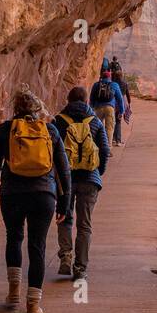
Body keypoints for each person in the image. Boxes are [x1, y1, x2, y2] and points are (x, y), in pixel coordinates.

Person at [0, 86, 71, 313]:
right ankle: (32, 306)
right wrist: (64, 205)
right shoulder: (49, 130)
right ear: (38, 109)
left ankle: (13, 292)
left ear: (16, 109)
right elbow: (64, 170)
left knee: (14, 238)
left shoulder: (5, 130)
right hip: (44, 195)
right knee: (37, 246)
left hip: (12, 194)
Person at [52, 86, 110, 281]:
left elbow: (51, 152)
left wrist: (56, 176)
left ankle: (66, 257)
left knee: (65, 218)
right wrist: (97, 173)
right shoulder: (94, 122)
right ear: (86, 101)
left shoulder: (59, 121)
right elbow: (104, 149)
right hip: (89, 179)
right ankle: (80, 267)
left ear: (68, 100)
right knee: (84, 225)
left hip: (66, 180)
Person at [89, 63, 125, 148]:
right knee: (109, 128)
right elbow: (120, 99)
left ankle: (98, 146)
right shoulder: (114, 85)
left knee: (97, 128)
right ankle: (108, 148)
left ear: (101, 77)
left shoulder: (96, 85)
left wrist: (92, 108)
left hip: (98, 108)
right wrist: (121, 111)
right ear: (109, 77)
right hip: (109, 108)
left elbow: (92, 98)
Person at [109, 57, 132, 146]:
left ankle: (114, 138)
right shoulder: (124, 83)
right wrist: (129, 103)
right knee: (118, 121)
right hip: (121, 102)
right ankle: (118, 140)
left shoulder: (112, 83)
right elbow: (127, 94)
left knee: (113, 120)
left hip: (112, 103)